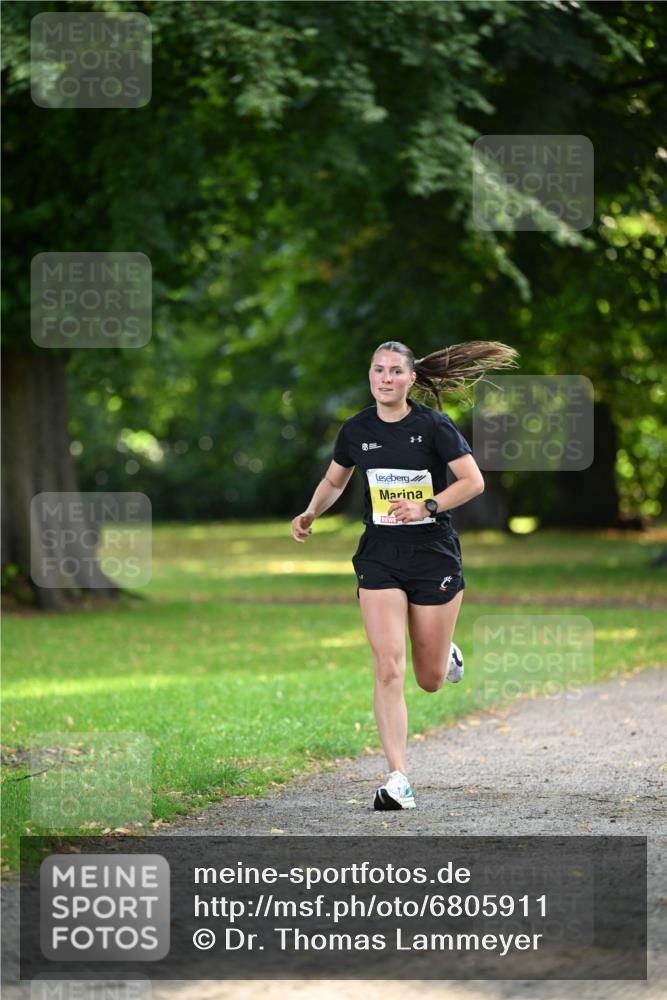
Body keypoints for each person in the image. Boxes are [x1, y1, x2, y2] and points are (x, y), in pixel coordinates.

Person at [291, 340, 518, 810]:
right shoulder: (356, 429)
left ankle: (444, 650)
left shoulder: (433, 426)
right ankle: (399, 777)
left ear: (411, 379)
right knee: (388, 665)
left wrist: (427, 505)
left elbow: (473, 482)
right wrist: (311, 511)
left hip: (433, 556)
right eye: (378, 370)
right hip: (380, 556)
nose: (386, 378)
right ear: (370, 376)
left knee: (429, 678)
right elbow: (336, 480)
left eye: (396, 371)